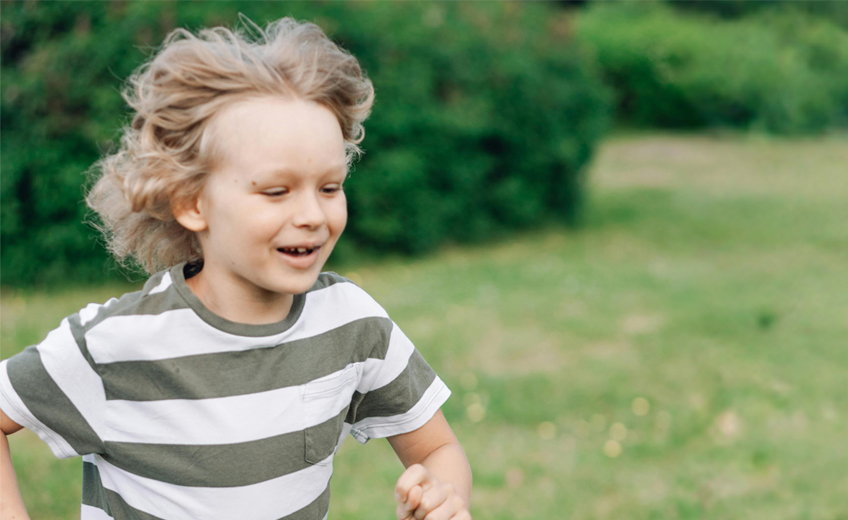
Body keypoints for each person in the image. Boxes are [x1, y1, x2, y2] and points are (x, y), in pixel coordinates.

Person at [0, 17, 472, 520]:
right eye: (276, 191)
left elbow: (436, 450)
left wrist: (443, 497)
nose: (313, 215)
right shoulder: (116, 345)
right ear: (191, 203)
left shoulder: (351, 323)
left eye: (330, 187)